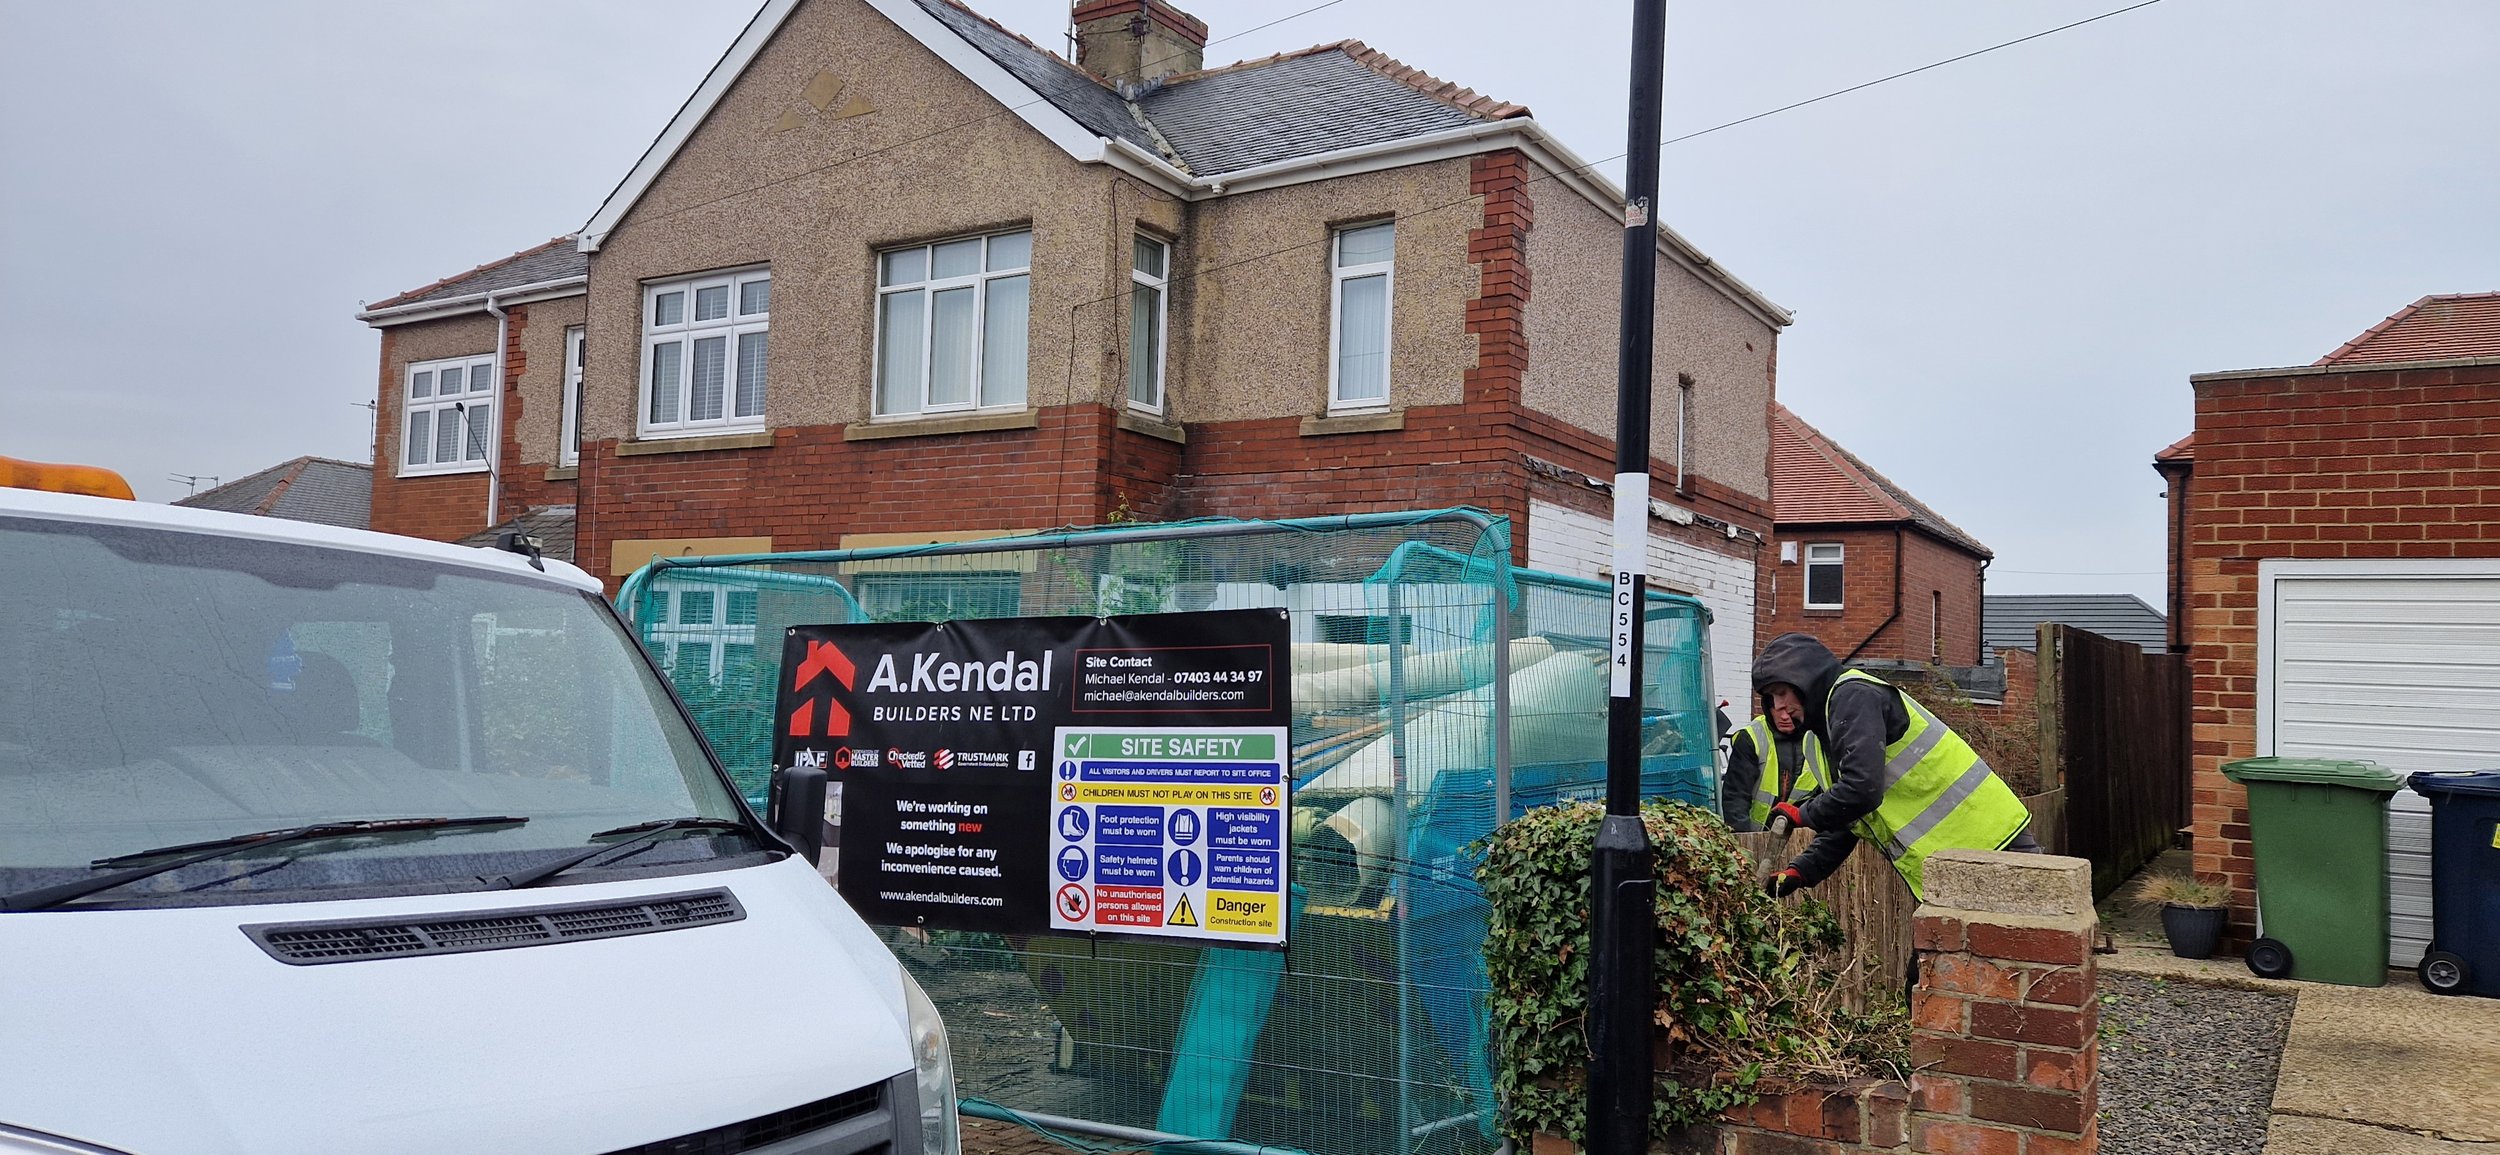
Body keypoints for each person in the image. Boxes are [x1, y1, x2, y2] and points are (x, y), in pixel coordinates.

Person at [1750, 632, 2035, 901]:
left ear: (1805, 679)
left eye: (1782, 691)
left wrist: (1803, 813)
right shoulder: (1818, 737)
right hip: (1956, 860)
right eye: (1771, 698)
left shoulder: (1854, 697)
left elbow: (1861, 790)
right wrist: (1802, 870)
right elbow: (1851, 820)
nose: (1779, 706)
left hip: (1991, 841)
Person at [1719, 695, 1831, 832]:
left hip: (1802, 838)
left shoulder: (1818, 739)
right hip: (1754, 836)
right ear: (1768, 708)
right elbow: (1736, 797)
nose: (1784, 716)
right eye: (1778, 709)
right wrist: (1743, 843)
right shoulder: (1752, 737)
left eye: (1790, 710)